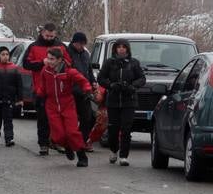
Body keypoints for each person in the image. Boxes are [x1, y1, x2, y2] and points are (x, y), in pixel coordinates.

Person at [36, 47, 91, 167]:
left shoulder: (69, 71)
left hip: (67, 104)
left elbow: (83, 81)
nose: (49, 61)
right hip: (52, 106)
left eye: (52, 59)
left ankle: (81, 155)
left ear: (60, 59)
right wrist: (39, 94)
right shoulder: (45, 71)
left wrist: (87, 89)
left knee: (72, 132)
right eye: (48, 58)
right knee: (58, 135)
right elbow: (42, 87)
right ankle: (67, 146)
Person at [22, 22, 71, 155]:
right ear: (42, 33)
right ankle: (43, 143)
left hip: (58, 90)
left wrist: (58, 64)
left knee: (58, 119)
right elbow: (25, 64)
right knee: (43, 118)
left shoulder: (61, 46)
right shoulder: (33, 47)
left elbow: (69, 63)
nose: (49, 38)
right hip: (40, 88)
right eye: (47, 36)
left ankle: (56, 141)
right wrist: (41, 63)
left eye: (51, 36)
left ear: (55, 34)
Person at [98, 38, 146, 166]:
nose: (121, 49)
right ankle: (114, 150)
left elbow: (142, 79)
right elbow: (101, 78)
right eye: (119, 47)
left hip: (129, 101)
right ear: (115, 49)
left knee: (126, 129)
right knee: (113, 129)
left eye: (124, 47)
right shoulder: (109, 63)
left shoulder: (134, 63)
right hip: (113, 101)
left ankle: (124, 156)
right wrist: (111, 85)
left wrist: (131, 86)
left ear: (127, 49)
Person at [67, 31, 99, 148]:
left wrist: (93, 82)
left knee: (88, 118)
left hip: (84, 92)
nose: (82, 47)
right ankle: (69, 141)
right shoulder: (67, 53)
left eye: (84, 44)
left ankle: (81, 141)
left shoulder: (85, 54)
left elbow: (89, 71)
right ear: (74, 43)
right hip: (71, 91)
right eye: (80, 44)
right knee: (71, 119)